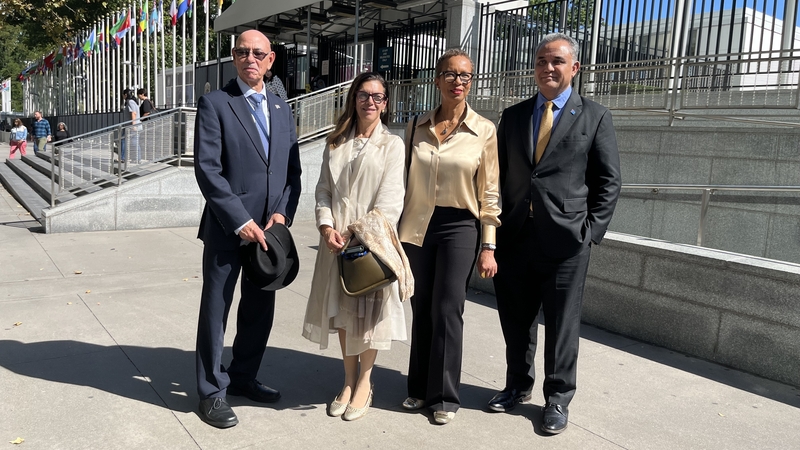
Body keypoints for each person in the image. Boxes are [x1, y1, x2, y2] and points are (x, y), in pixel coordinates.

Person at [488, 32, 621, 435]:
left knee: (562, 326)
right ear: (535, 67)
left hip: (566, 242)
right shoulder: (512, 116)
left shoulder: (595, 116)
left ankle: (558, 399)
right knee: (516, 322)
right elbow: (498, 177)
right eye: (543, 61)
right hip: (515, 238)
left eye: (557, 62)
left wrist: (589, 233)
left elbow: (609, 181)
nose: (549, 68)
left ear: (574, 68)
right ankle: (517, 387)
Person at [193, 30, 302, 429]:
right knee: (216, 309)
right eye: (242, 52)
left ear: (270, 60)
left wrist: (281, 215)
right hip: (229, 228)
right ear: (234, 57)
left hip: (269, 232)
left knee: (259, 308)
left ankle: (243, 376)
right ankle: (210, 391)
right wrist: (241, 220)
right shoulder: (215, 103)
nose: (250, 59)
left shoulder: (280, 104)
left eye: (258, 53)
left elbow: (291, 171)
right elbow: (208, 169)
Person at [398, 48, 501, 425]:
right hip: (417, 224)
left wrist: (488, 244)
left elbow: (489, 192)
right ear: (437, 79)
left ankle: (444, 396)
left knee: (448, 308)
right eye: (451, 75)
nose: (458, 82)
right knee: (421, 305)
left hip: (460, 225)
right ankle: (419, 389)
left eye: (466, 76)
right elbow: (403, 182)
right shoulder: (416, 126)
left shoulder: (484, 130)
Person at [302, 72, 411, 421]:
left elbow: (392, 202)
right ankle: (347, 380)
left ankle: (365, 381)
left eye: (378, 97)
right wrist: (325, 224)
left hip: (368, 244)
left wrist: (355, 232)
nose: (371, 102)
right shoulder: (335, 141)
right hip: (335, 244)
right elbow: (322, 189)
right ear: (354, 98)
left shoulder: (392, 144)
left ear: (386, 103)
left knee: (370, 316)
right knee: (344, 315)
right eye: (364, 95)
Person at [120, 89, 140, 162]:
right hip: (131, 125)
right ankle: (136, 158)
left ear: (125, 94)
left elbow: (133, 113)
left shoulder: (130, 102)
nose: (122, 96)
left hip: (131, 126)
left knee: (126, 141)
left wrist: (133, 125)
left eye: (123, 94)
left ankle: (124, 158)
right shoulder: (133, 101)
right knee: (132, 142)